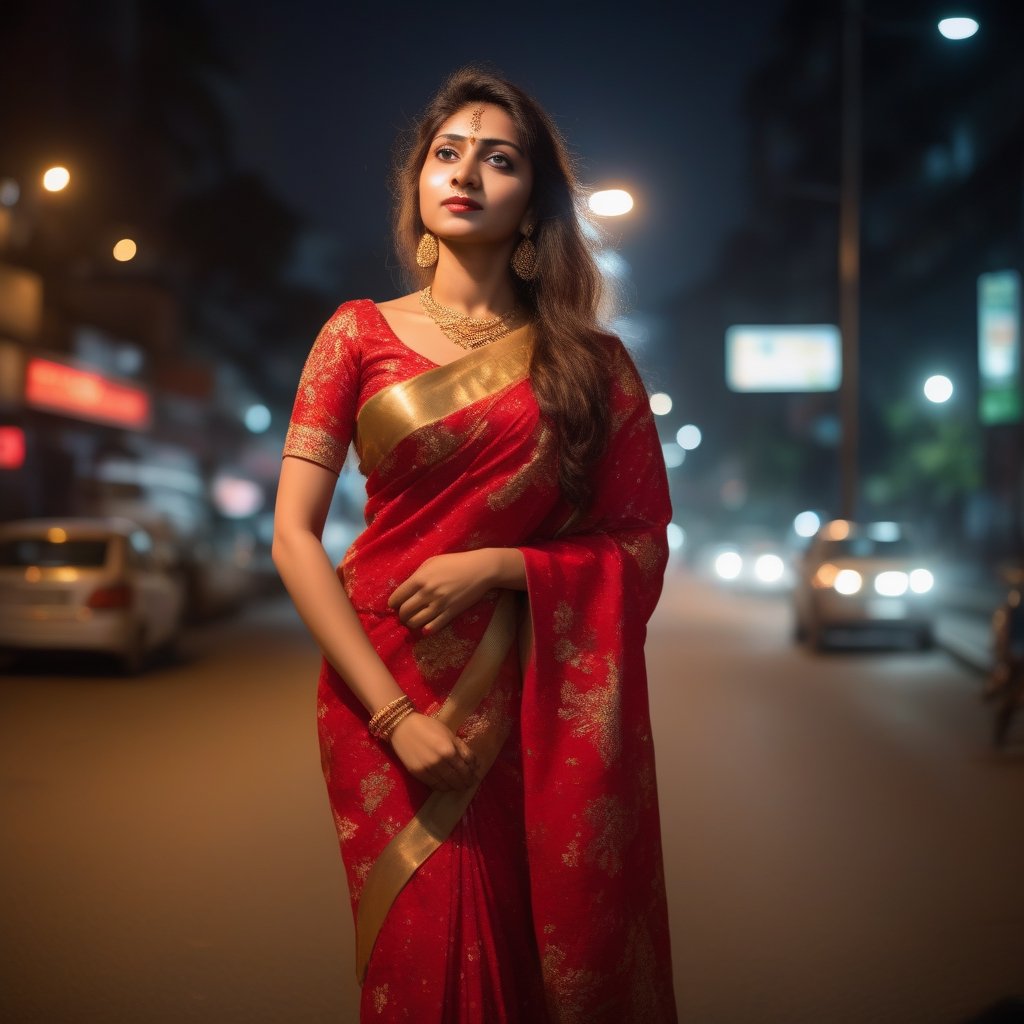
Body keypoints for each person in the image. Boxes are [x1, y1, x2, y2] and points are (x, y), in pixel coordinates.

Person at [273, 66, 678, 1022]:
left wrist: (505, 568)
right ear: (418, 184)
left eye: (498, 159)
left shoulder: (590, 363)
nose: (465, 173)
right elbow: (293, 536)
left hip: (524, 703)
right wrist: (391, 720)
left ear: (533, 197)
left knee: (531, 954)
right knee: (424, 960)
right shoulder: (357, 335)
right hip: (385, 687)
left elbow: (642, 542)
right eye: (446, 154)